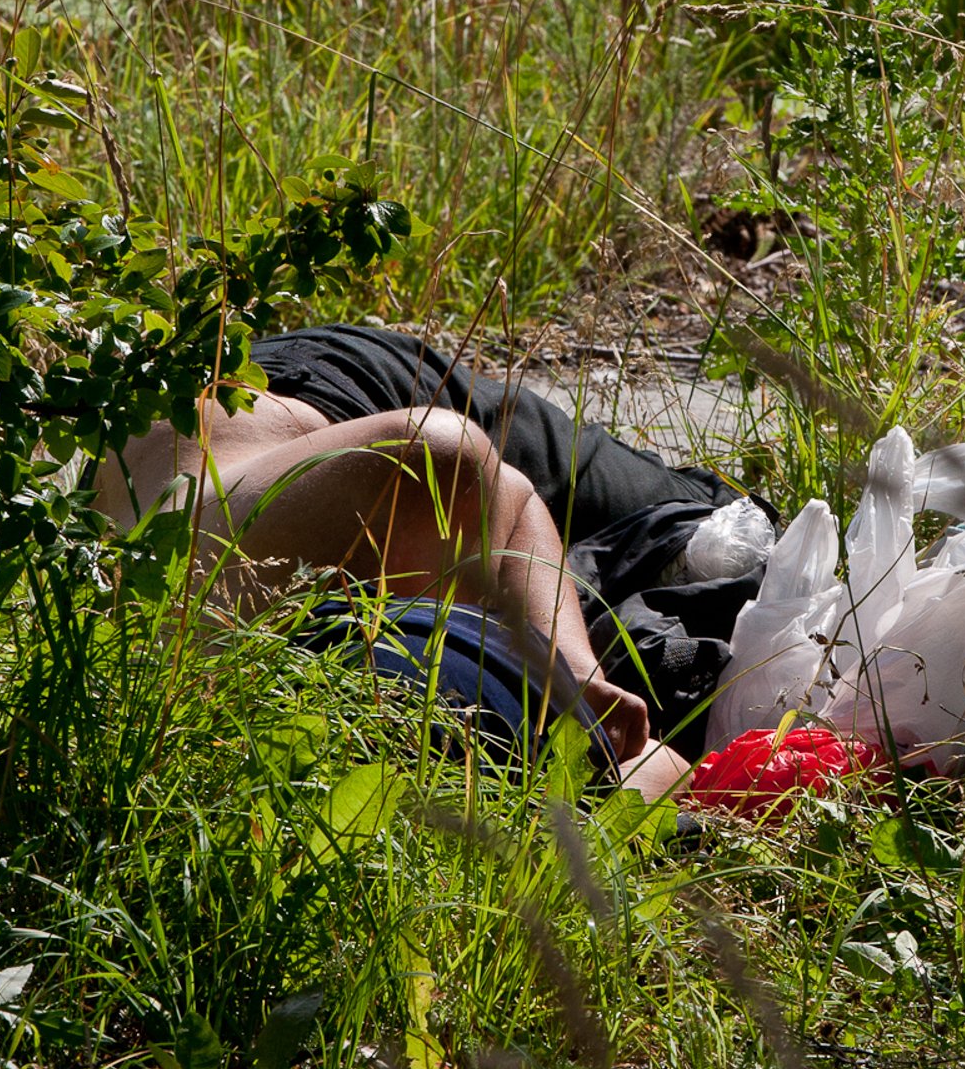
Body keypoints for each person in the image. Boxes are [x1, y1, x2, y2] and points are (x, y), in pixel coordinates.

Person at [93, 324, 709, 801]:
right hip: (267, 452)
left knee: (705, 513)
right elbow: (654, 775)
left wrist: (572, 667)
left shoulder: (221, 575)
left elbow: (513, 500)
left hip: (331, 387)